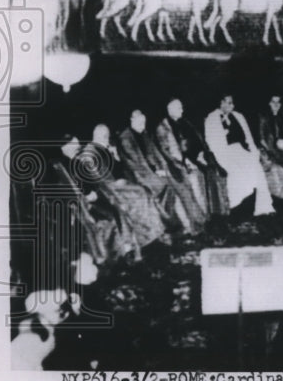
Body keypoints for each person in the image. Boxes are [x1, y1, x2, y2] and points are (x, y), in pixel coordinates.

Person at [77, 124, 166, 252]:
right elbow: (102, 180)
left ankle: (152, 232)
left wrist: (115, 156)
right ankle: (146, 236)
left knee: (144, 191)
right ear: (100, 136)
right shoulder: (90, 153)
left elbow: (118, 169)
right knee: (140, 195)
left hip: (117, 185)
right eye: (105, 137)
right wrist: (118, 183)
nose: (108, 139)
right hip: (108, 191)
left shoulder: (102, 148)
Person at [52, 134, 136, 265]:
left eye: (77, 144)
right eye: (74, 145)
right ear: (64, 149)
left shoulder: (78, 160)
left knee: (118, 207)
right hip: (83, 206)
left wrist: (95, 192)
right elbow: (72, 191)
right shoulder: (63, 168)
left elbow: (94, 181)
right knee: (111, 216)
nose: (78, 147)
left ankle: (127, 247)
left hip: (95, 198)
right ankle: (120, 252)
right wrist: (87, 196)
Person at [119, 109, 204, 235]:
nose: (143, 125)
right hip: (140, 176)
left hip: (155, 172)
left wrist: (164, 168)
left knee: (181, 183)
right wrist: (156, 172)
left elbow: (156, 154)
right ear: (132, 120)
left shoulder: (143, 133)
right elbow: (136, 164)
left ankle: (196, 223)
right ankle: (176, 227)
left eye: (144, 122)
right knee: (166, 187)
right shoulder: (125, 138)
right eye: (140, 122)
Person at [154, 97, 230, 219]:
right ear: (170, 109)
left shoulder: (185, 122)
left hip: (196, 157)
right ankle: (204, 217)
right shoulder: (163, 127)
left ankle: (219, 212)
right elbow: (168, 152)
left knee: (215, 170)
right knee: (197, 175)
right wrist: (187, 162)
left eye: (182, 107)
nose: (182, 110)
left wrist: (202, 153)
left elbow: (198, 140)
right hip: (180, 163)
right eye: (179, 107)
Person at [204, 94, 275, 218]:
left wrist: (253, 152)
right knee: (236, 172)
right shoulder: (212, 119)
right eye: (229, 103)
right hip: (224, 152)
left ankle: (263, 207)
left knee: (256, 167)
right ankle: (237, 207)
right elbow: (212, 143)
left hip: (241, 150)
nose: (232, 106)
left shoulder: (238, 116)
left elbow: (248, 137)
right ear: (221, 103)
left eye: (232, 103)